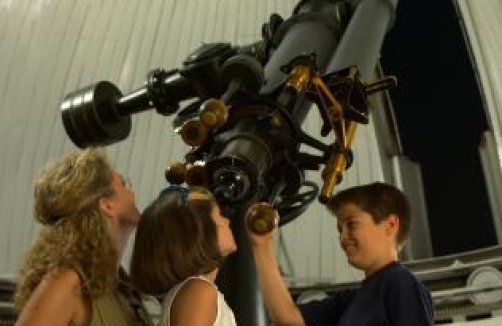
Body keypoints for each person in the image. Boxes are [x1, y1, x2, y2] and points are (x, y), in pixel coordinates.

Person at [246, 182, 434, 325]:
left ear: (390, 225)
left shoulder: (401, 283)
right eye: (339, 229)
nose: (342, 237)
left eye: (351, 224)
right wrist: (261, 245)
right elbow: (289, 318)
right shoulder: (350, 301)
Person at [14, 147, 153, 326]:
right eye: (123, 185)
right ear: (107, 205)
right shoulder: (67, 282)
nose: (132, 194)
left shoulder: (121, 287)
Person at [129, 185, 237, 326]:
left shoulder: (195, 290)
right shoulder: (199, 291)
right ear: (200, 235)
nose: (227, 221)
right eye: (219, 216)